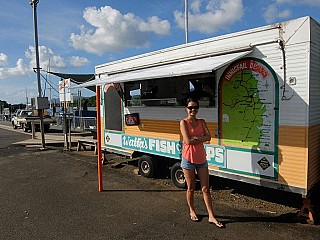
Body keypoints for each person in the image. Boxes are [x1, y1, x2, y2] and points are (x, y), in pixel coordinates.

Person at [180, 98, 224, 228]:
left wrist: (196, 138)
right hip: (188, 158)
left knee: (206, 188)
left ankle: (211, 216)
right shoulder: (183, 122)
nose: (193, 110)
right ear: (186, 109)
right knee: (191, 187)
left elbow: (209, 137)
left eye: (195, 107)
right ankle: (192, 210)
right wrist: (200, 138)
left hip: (201, 158)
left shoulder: (201, 121)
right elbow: (187, 141)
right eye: (190, 107)